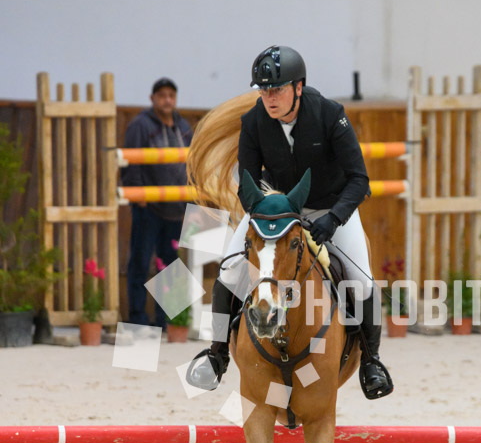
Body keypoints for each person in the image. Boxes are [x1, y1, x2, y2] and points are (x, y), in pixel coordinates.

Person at [189, 46, 393, 400]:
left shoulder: (330, 115)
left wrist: (332, 219)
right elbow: (248, 185)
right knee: (229, 271)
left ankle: (372, 362)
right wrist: (268, 212)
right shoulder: (254, 121)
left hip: (330, 209)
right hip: (276, 212)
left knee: (360, 279)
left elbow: (359, 180)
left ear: (299, 87)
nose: (269, 98)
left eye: (277, 89)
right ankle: (217, 355)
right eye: (264, 90)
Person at [121, 78, 193, 327]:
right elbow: (131, 162)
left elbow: (192, 162)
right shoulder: (140, 125)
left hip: (177, 207)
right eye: (162, 95)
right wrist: (138, 195)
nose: (167, 100)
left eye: (171, 95)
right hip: (148, 207)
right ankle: (138, 319)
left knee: (172, 264)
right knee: (140, 262)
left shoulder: (183, 126)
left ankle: (169, 321)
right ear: (152, 98)